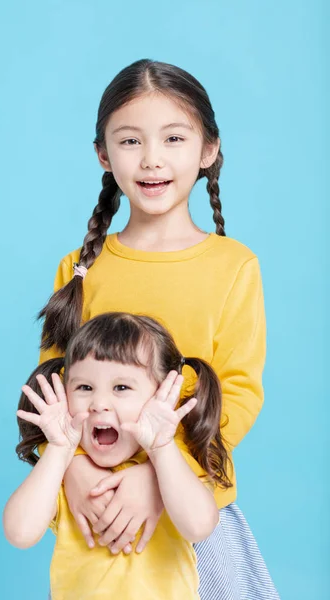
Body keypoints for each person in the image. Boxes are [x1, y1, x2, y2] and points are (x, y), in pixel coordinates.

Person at [37, 59, 279, 598]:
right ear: (103, 153)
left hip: (193, 502)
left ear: (208, 150)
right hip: (97, 508)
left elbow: (238, 391)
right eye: (129, 141)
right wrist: (71, 471)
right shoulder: (80, 267)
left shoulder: (233, 266)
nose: (151, 159)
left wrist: (163, 476)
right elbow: (51, 389)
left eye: (173, 138)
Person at [4, 313, 230, 599]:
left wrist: (161, 450)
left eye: (121, 388)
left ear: (163, 395)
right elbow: (19, 532)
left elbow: (199, 527)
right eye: (84, 388)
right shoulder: (66, 474)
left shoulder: (171, 467)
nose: (99, 404)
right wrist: (59, 451)